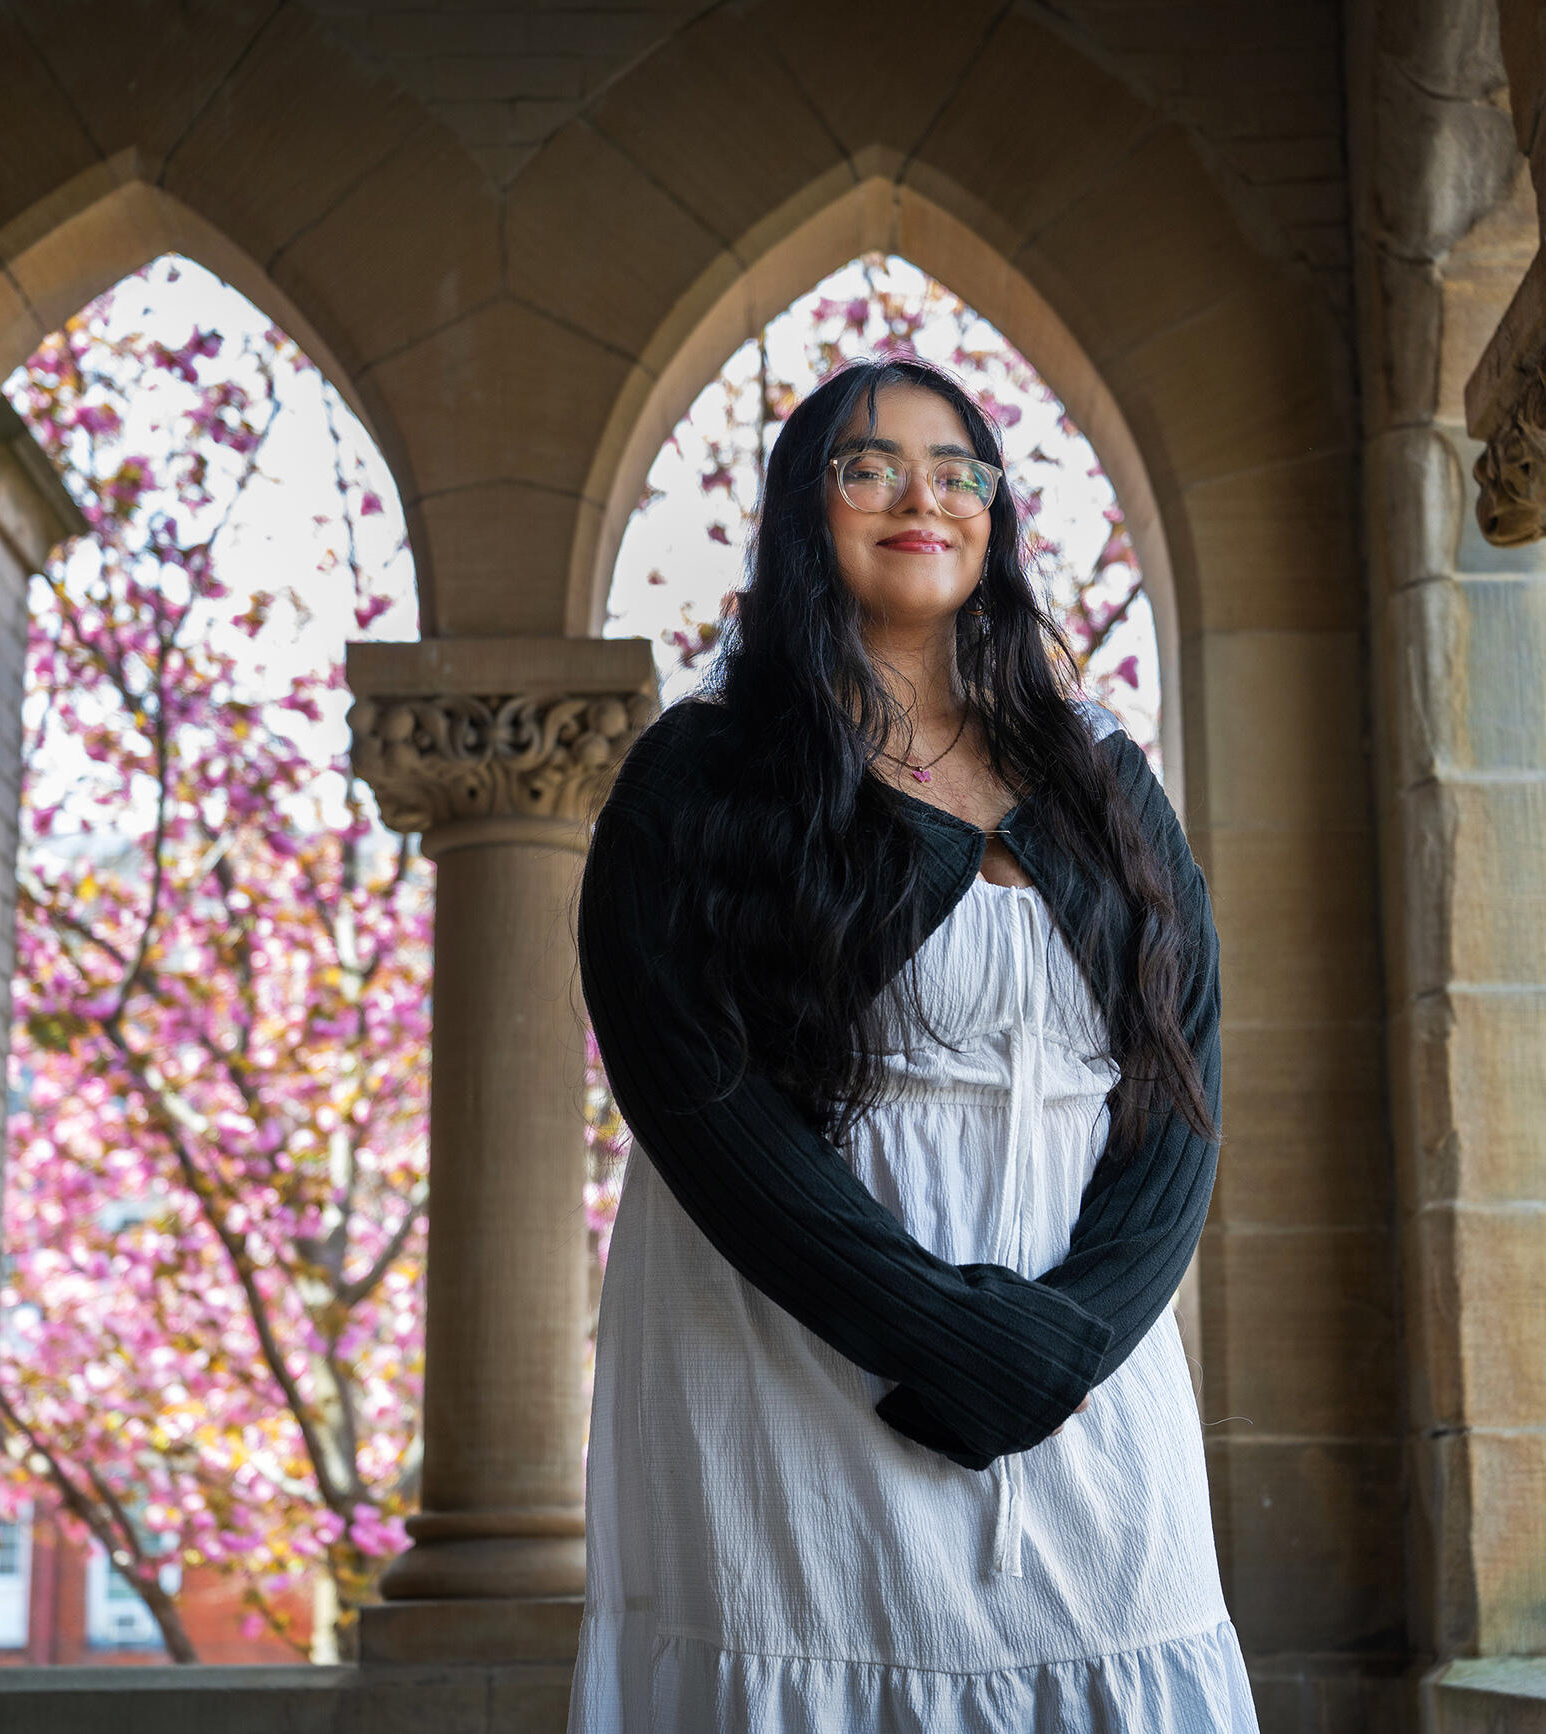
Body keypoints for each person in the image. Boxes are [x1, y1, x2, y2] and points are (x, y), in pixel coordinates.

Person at [570, 354, 1254, 1731]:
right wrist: (936, 1331)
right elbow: (695, 1097)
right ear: (799, 510)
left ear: (995, 517)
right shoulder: (702, 774)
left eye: (958, 470)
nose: (919, 497)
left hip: (1081, 1373)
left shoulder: (1100, 771)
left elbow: (1182, 1079)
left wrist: (1064, 1343)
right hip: (799, 1366)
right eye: (868, 465)